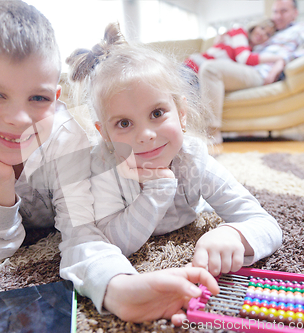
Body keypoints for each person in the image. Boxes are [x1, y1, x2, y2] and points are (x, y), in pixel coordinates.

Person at [0, 0, 218, 326]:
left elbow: (83, 233)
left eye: (38, 98)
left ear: (56, 96)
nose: (19, 120)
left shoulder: (64, 138)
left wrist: (118, 287)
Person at [66, 22, 283, 325]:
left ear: (181, 114)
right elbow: (111, 242)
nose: (146, 135)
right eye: (124, 124)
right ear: (104, 135)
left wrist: (233, 233)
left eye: (157, 114)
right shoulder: (102, 168)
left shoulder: (193, 159)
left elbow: (264, 223)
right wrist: (156, 192)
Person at [200, 0, 304, 143]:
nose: (278, 16)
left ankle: (212, 133)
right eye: (275, 11)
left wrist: (283, 60)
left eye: (283, 11)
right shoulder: (270, 32)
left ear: (295, 13)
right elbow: (244, 52)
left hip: (260, 74)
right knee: (204, 71)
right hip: (246, 69)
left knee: (210, 68)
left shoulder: (303, 27)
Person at [184, 18, 281, 73]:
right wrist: (277, 58)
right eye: (262, 28)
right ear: (255, 26)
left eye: (268, 34)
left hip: (205, 75)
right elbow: (244, 58)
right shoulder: (240, 31)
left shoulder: (251, 51)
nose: (262, 33)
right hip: (193, 67)